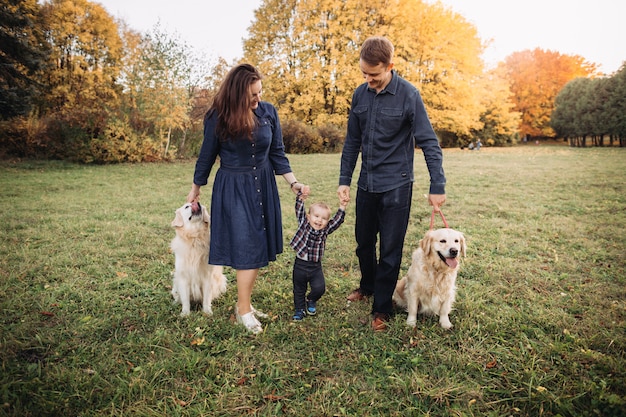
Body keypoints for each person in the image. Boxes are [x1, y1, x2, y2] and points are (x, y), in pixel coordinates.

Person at [187, 63, 309, 334]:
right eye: (252, 95)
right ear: (237, 94)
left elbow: (277, 152)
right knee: (247, 247)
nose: (258, 99)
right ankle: (243, 309)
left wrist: (293, 183)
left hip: (263, 184)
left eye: (260, 93)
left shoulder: (268, 112)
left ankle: (245, 304)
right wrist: (195, 189)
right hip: (234, 187)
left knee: (257, 245)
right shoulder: (217, 116)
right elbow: (206, 156)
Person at [337, 36, 447, 331]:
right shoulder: (360, 95)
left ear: (390, 66)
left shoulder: (409, 95)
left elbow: (429, 143)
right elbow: (352, 142)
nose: (369, 80)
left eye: (374, 75)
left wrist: (438, 185)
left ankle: (382, 307)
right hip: (366, 184)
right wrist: (344, 180)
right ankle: (368, 285)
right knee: (363, 244)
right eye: (364, 74)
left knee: (390, 250)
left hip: (397, 186)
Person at [289, 191, 348, 321]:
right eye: (316, 216)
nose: (319, 220)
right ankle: (299, 310)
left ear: (327, 221)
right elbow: (299, 210)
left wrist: (342, 206)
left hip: (315, 267)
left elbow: (337, 221)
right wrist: (300, 198)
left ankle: (311, 299)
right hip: (300, 265)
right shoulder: (304, 223)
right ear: (309, 216)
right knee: (299, 290)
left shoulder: (325, 230)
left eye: (324, 218)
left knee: (319, 288)